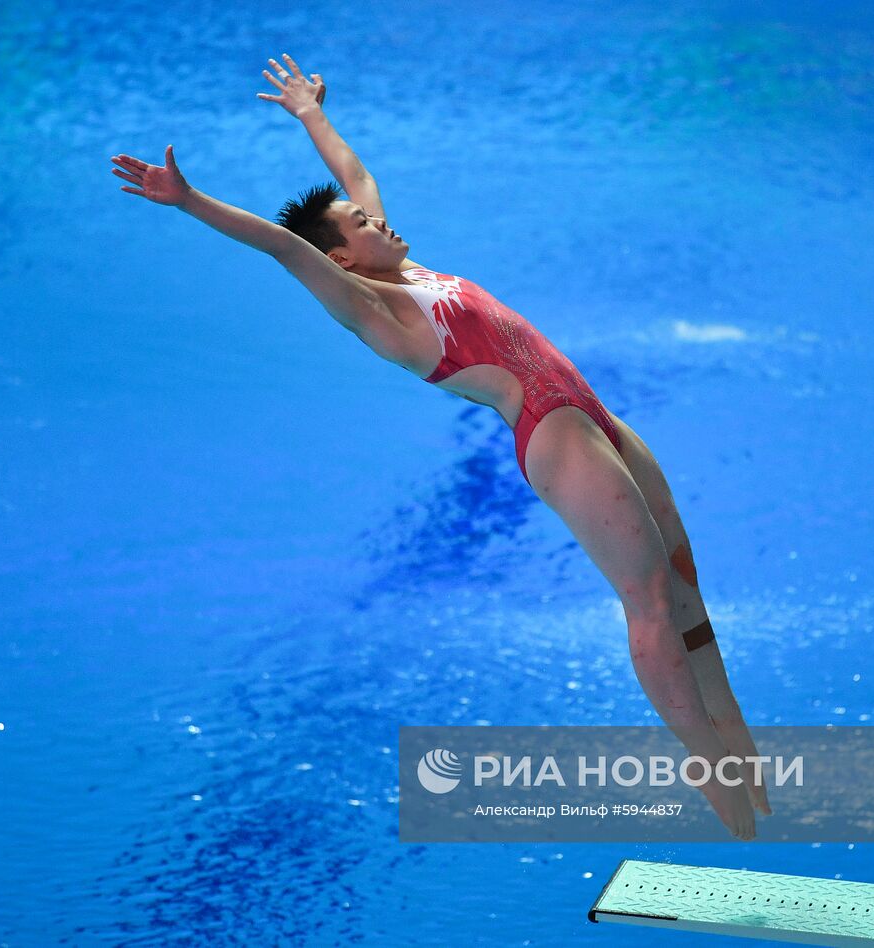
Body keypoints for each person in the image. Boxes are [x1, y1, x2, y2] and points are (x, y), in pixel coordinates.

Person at [110, 54, 771, 841]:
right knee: (649, 598)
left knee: (682, 572)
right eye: (358, 226)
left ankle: (733, 735)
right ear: (342, 260)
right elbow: (287, 248)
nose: (373, 216)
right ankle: (708, 772)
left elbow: (356, 175)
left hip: (589, 408)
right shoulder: (372, 309)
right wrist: (188, 201)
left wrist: (310, 115)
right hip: (552, 431)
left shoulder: (408, 267)